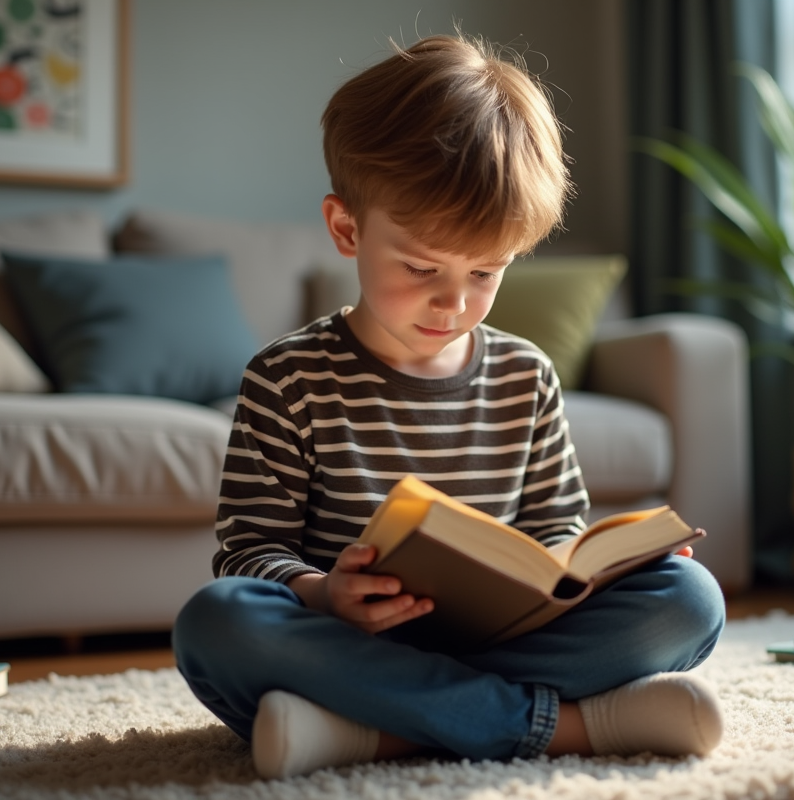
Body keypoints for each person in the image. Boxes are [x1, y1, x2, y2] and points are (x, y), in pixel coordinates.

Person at [172, 28, 726, 780]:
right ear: (346, 229)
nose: (453, 301)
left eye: (486, 272)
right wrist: (324, 593)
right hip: (351, 644)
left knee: (690, 596)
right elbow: (248, 552)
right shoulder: (287, 377)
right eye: (422, 266)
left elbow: (556, 529)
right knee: (217, 621)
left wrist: (598, 571)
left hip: (500, 641)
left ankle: (368, 731)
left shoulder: (526, 377)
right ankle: (560, 728)